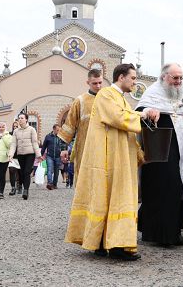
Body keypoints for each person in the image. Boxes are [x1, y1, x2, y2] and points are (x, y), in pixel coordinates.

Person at [65, 64, 159, 261]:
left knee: (112, 199)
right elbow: (118, 118)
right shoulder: (106, 94)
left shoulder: (120, 98)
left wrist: (139, 153)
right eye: (133, 78)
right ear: (121, 77)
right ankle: (110, 244)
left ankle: (112, 243)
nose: (135, 82)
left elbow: (125, 126)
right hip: (107, 158)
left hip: (118, 157)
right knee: (109, 198)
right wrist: (143, 114)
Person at [136, 63, 183, 246]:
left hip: (181, 153)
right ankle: (159, 234)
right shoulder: (152, 93)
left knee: (178, 189)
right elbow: (138, 113)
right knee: (161, 190)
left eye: (181, 78)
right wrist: (148, 112)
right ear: (164, 76)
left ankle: (174, 231)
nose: (178, 81)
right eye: (175, 78)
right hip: (159, 153)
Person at [59, 69, 103, 178]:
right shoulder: (80, 101)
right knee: (85, 177)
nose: (98, 86)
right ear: (88, 83)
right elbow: (69, 126)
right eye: (94, 83)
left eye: (100, 82)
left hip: (104, 146)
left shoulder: (107, 99)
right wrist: (64, 148)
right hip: (84, 147)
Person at [8, 113, 40, 200]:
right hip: (20, 154)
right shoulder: (16, 131)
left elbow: (35, 142)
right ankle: (22, 186)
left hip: (30, 154)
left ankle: (26, 190)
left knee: (26, 172)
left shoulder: (31, 129)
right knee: (22, 172)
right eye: (19, 118)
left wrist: (38, 155)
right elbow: (13, 144)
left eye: (22, 118)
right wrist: (10, 155)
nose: (20, 119)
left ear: (26, 119)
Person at [41, 124, 67, 190]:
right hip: (49, 156)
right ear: (54, 129)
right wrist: (40, 155)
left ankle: (54, 184)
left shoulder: (60, 137)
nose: (59, 132)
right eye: (57, 130)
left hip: (58, 156)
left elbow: (64, 145)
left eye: (59, 130)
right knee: (49, 169)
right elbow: (44, 146)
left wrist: (64, 154)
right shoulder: (48, 136)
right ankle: (49, 183)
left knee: (56, 171)